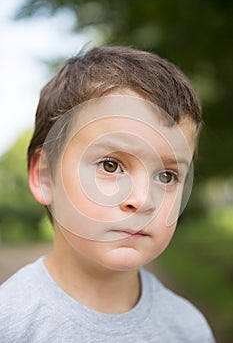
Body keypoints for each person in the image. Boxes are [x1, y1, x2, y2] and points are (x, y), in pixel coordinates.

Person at [0, 46, 216, 343]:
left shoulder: (188, 329)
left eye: (167, 175)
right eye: (111, 165)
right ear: (45, 176)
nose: (142, 200)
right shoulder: (10, 322)